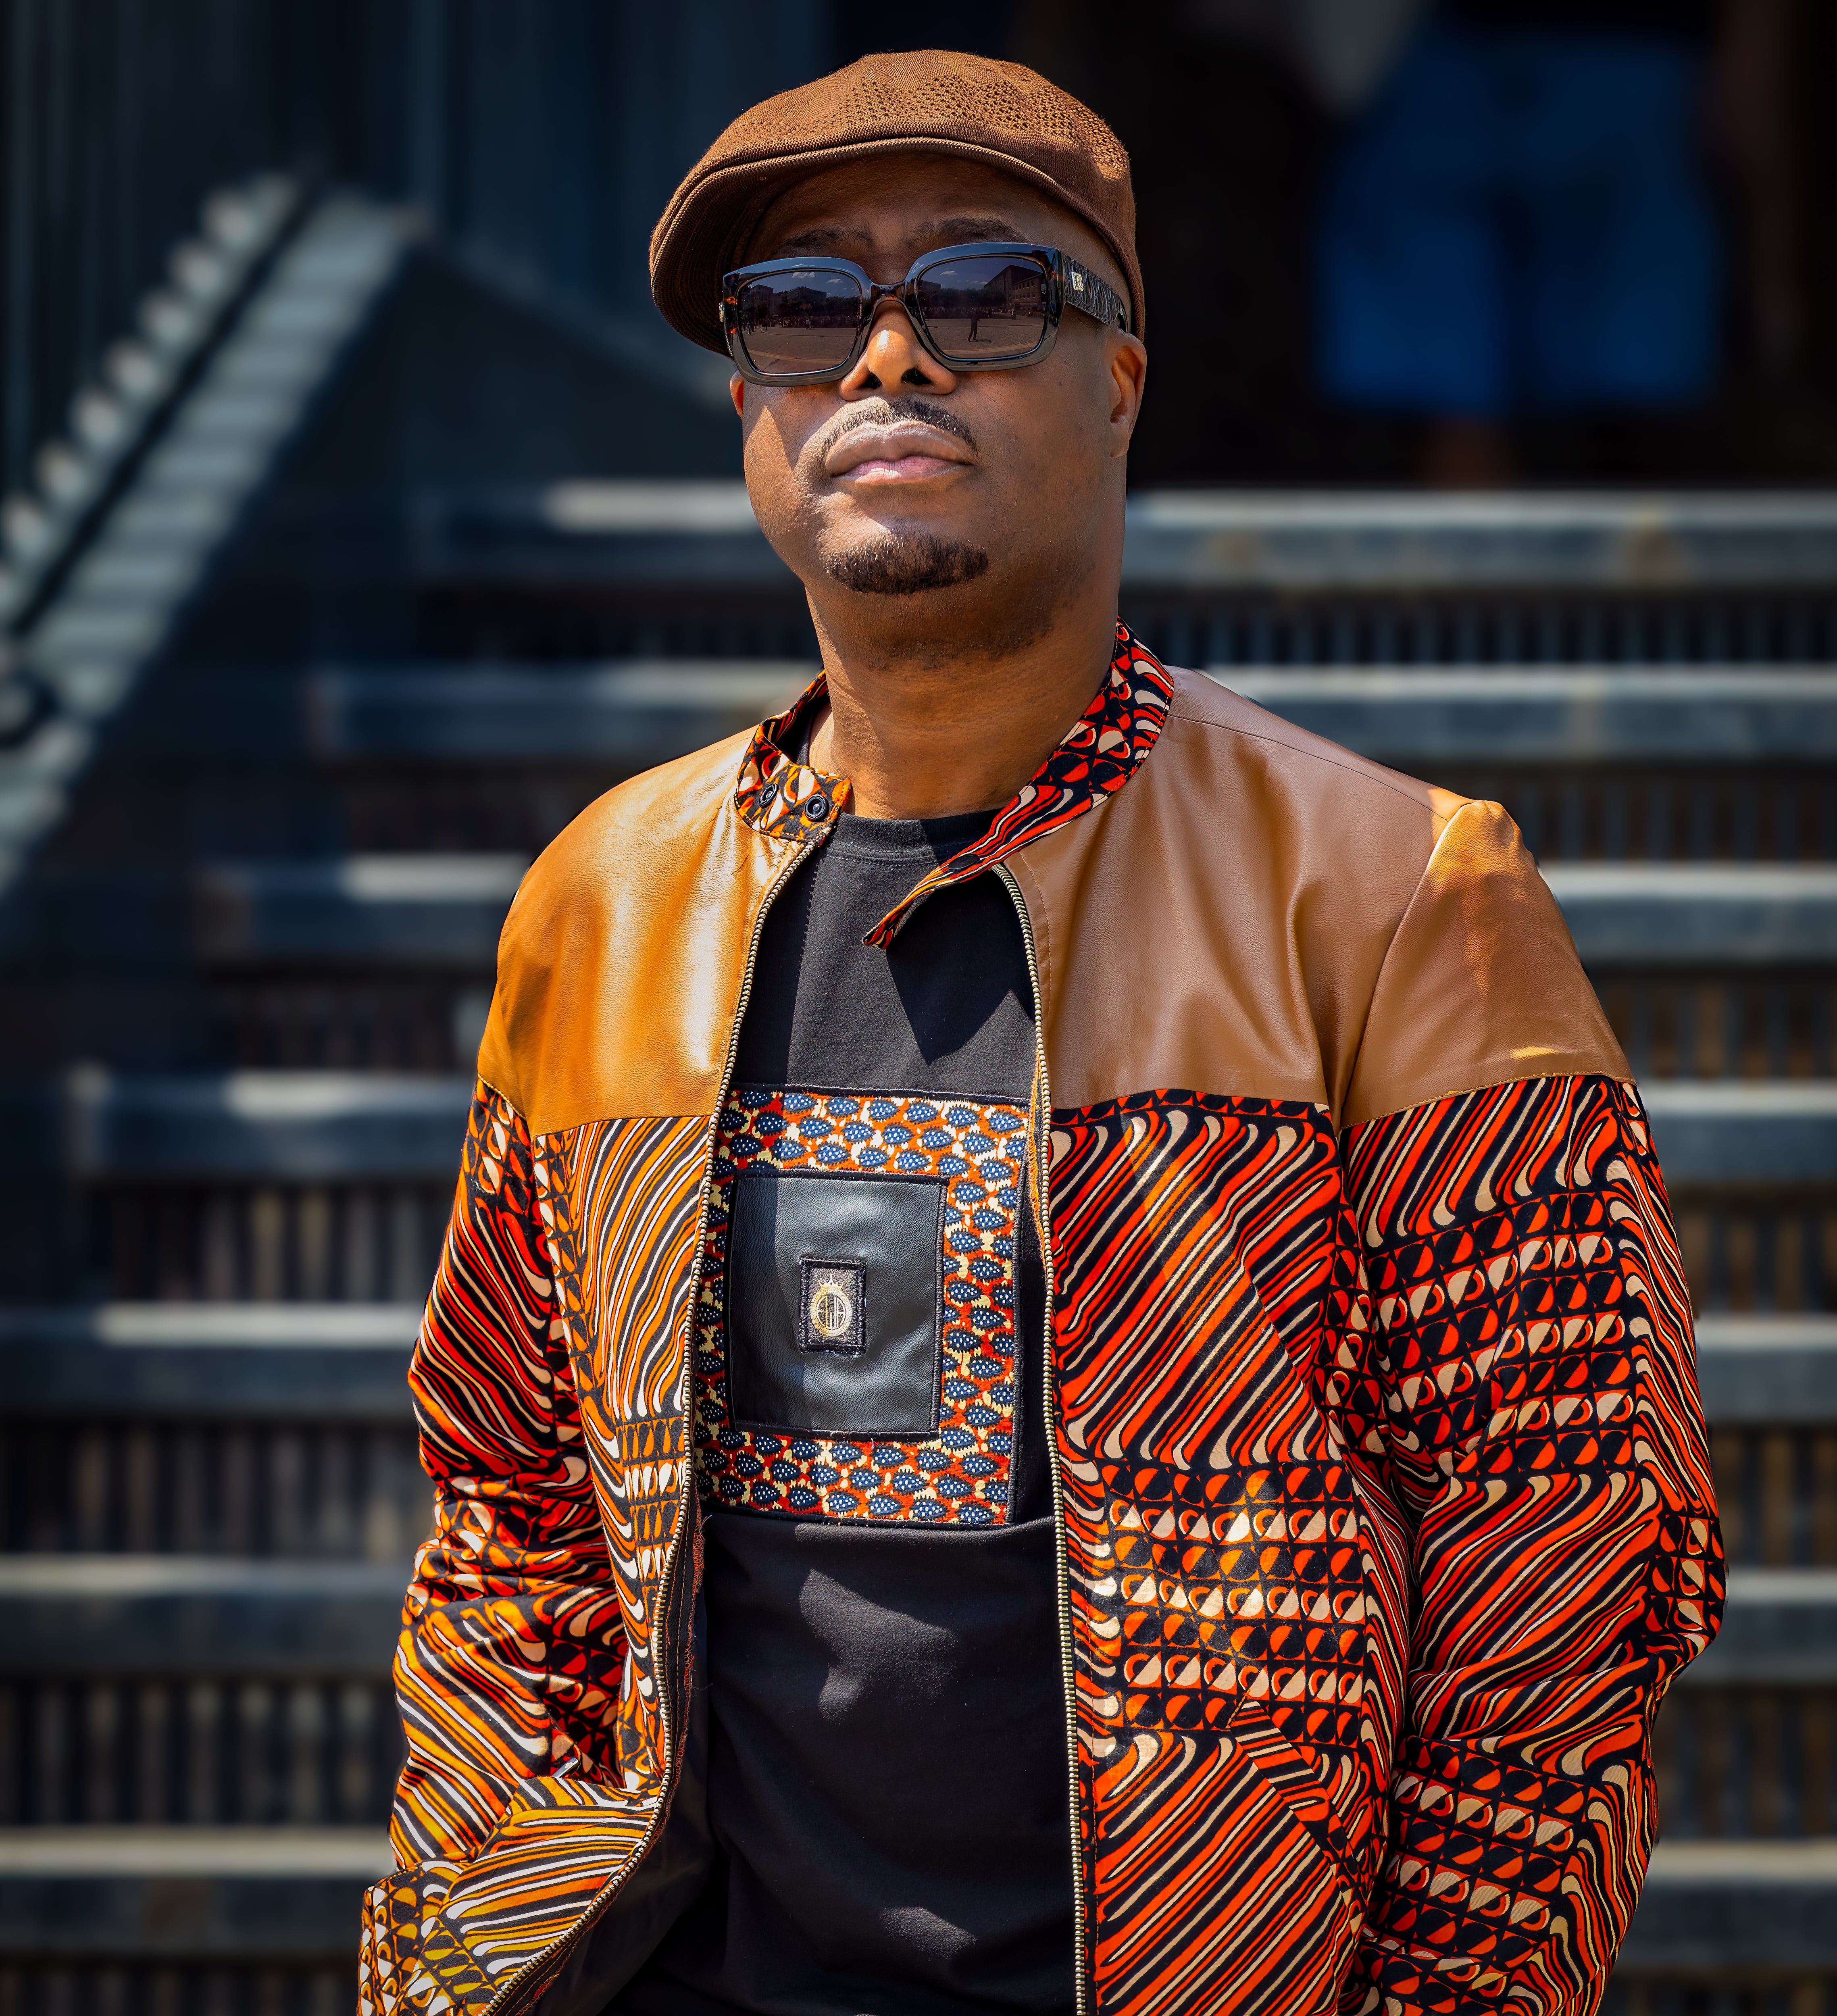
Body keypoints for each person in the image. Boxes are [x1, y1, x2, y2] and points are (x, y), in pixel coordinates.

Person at [359, 49, 1722, 2016]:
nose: (885, 359)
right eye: (802, 310)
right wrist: (462, 1942)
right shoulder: (605, 894)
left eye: (985, 294)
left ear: (1121, 383)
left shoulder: (1398, 889)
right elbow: (510, 1510)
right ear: (749, 408)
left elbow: (1565, 1572)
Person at [1316, 1, 1728, 483]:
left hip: (1632, 55)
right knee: (1443, 401)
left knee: (1634, 394)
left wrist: (1751, 48)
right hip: (1433, 51)